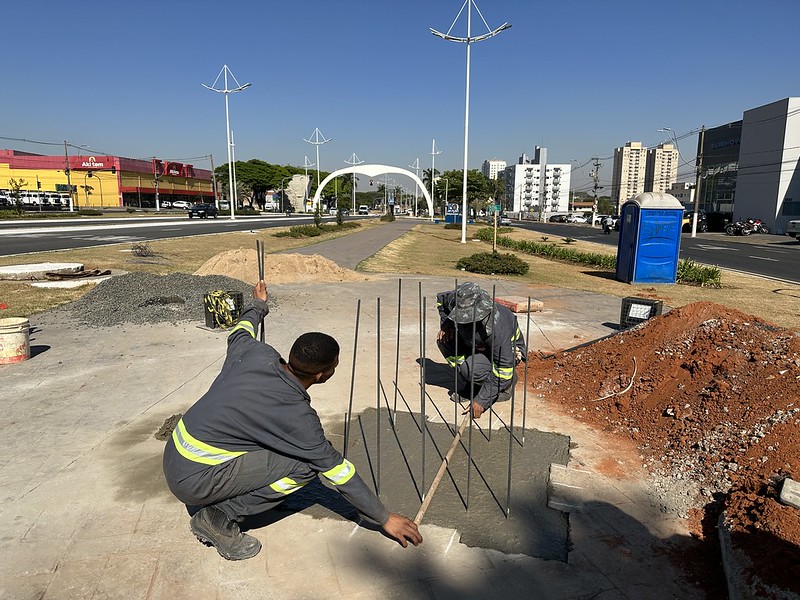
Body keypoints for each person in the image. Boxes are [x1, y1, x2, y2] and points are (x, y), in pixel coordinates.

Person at [163, 281, 422, 560]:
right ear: (322, 375)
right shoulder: (297, 418)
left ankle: (224, 497)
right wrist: (383, 518)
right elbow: (338, 472)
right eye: (334, 365)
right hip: (195, 480)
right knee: (305, 465)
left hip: (177, 454)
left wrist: (258, 304)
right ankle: (219, 517)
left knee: (282, 447)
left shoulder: (257, 353)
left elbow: (241, 330)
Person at [435, 282, 526, 419]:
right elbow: (441, 301)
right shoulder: (456, 299)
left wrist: (482, 400)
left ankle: (507, 385)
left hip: (508, 353)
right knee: (445, 340)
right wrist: (447, 324)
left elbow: (503, 368)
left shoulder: (496, 326)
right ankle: (471, 383)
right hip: (476, 344)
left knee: (472, 369)